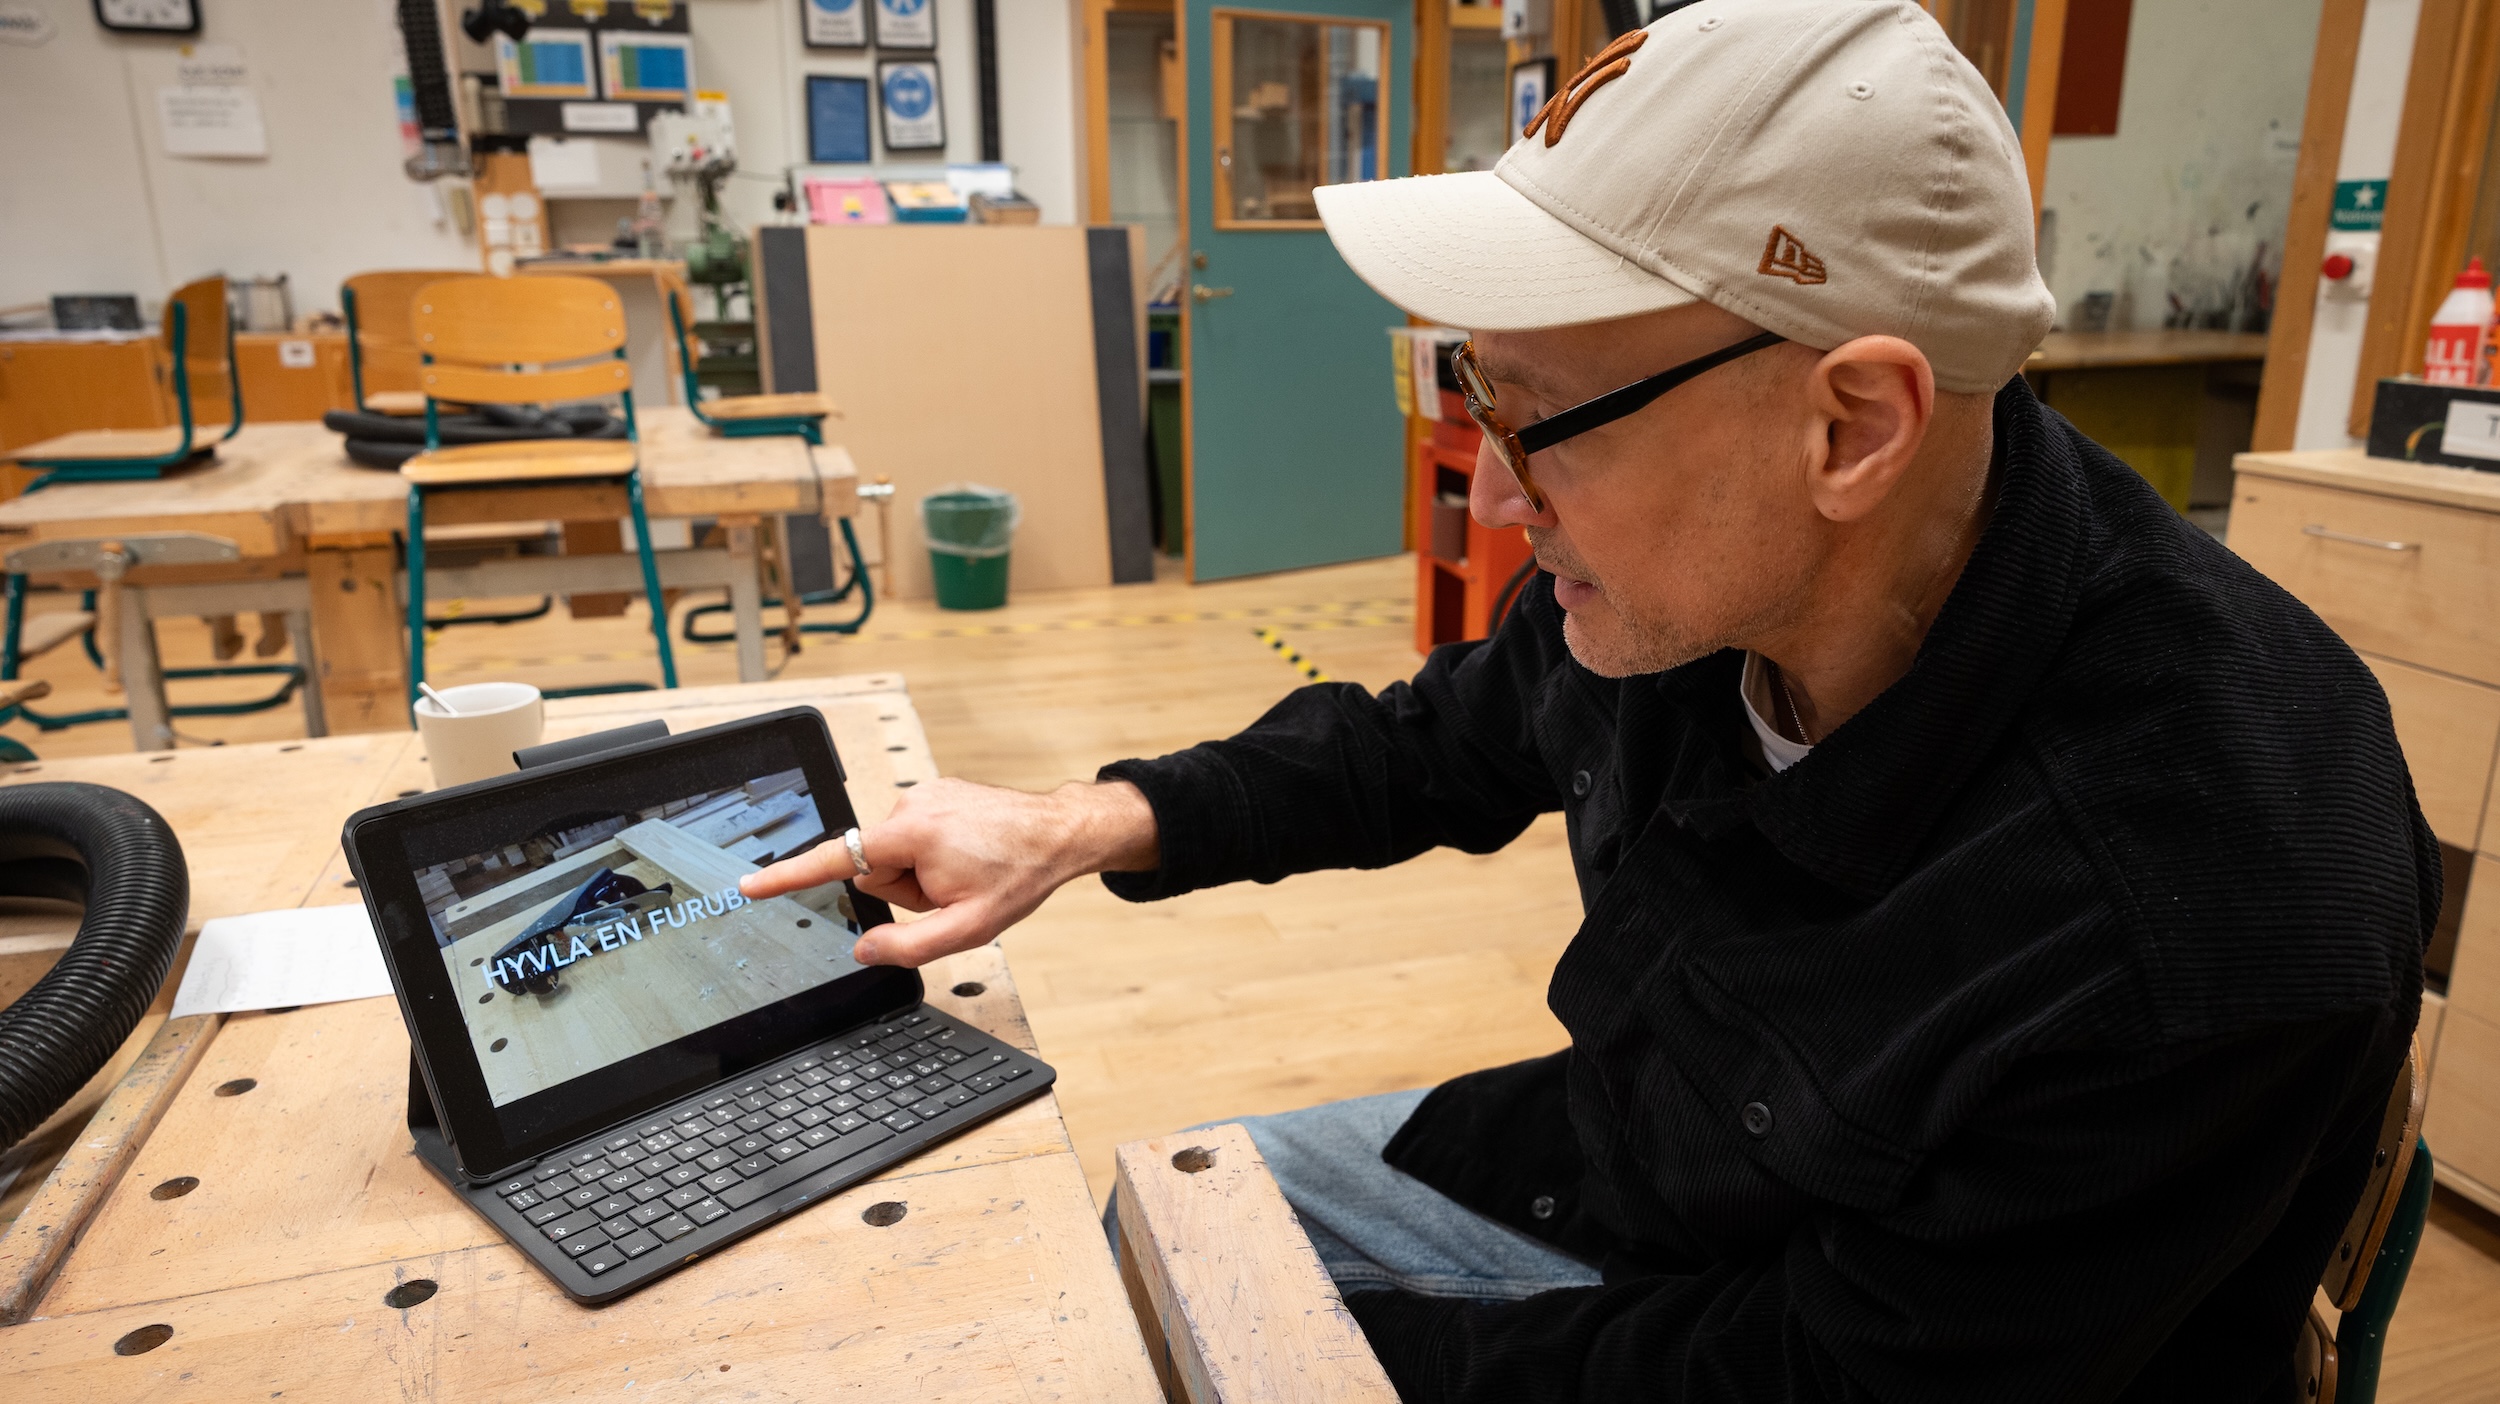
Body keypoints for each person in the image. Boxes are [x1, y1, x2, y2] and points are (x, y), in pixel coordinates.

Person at [744, 1, 2430, 1397]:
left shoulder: (2195, 900)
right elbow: (1442, 738)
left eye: (1537, 414)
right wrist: (1074, 825)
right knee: (1141, 1243)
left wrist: (1317, 1361)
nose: (1487, 497)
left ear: (1852, 427)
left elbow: (1800, 1377)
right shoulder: (1709, 578)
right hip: (1631, 1164)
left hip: (1855, 1350)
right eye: (1467, 383)